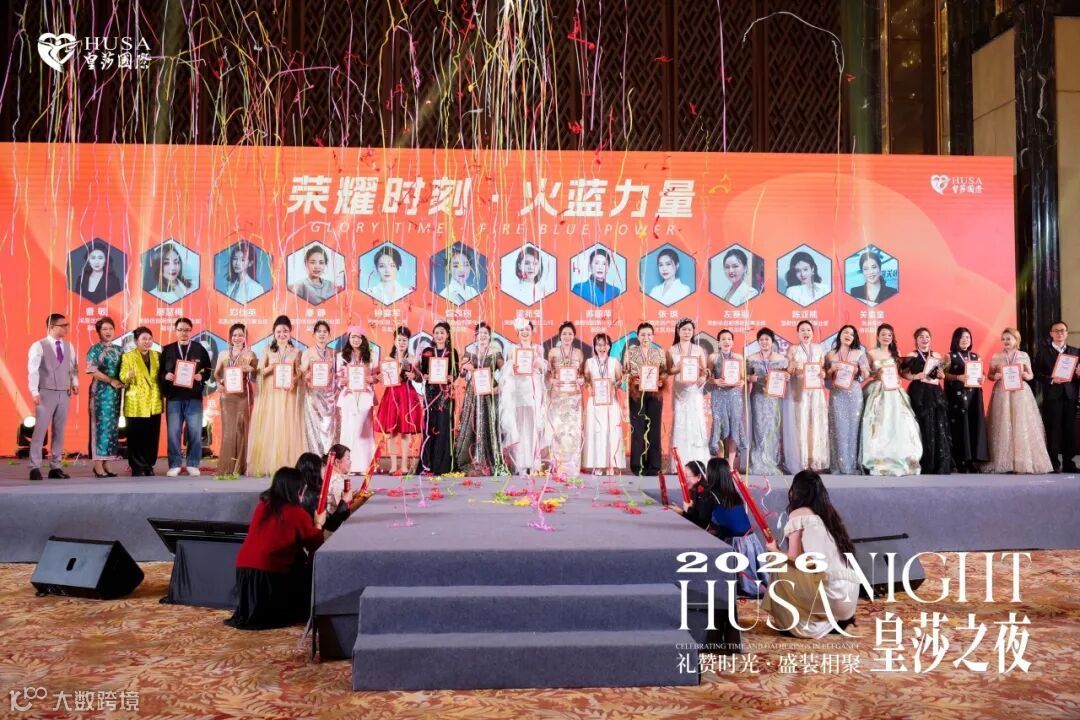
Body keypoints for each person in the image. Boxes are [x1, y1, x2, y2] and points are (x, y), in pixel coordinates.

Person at [225, 467, 327, 630]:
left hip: (244, 570)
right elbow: (315, 544)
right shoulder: (296, 513)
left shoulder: (262, 506)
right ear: (297, 491)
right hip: (268, 573)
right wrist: (318, 524)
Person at [762, 470, 859, 639]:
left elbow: (795, 560)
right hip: (848, 598)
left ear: (796, 492)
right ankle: (826, 621)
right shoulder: (828, 515)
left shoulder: (798, 514)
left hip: (829, 595)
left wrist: (775, 551)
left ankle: (792, 623)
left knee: (778, 565)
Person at [672, 458, 767, 597]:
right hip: (752, 541)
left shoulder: (710, 495)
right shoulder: (733, 493)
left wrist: (684, 512)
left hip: (736, 544)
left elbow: (701, 524)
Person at [985, 328, 1053, 474]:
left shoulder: (1023, 355)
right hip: (1002, 394)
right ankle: (1005, 461)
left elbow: (1031, 375)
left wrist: (1026, 375)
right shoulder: (996, 356)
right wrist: (995, 376)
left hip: (1020, 393)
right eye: (1003, 339)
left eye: (1008, 339)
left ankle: (1022, 461)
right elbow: (990, 375)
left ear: (1016, 340)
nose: (1005, 341)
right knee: (1003, 424)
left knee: (1021, 424)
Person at [247, 316, 306, 476]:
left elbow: (299, 373)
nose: (282, 334)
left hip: (288, 395)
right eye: (278, 331)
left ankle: (287, 464)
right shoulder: (268, 350)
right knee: (271, 427)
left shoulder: (296, 352)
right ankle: (269, 464)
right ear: (273, 333)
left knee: (287, 427)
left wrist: (294, 381)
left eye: (285, 331)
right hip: (271, 396)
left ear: (290, 332)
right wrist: (271, 367)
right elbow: (259, 371)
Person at [860, 323, 922, 476]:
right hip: (878, 392)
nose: (886, 337)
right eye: (883, 334)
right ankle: (880, 458)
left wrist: (915, 376)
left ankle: (902, 456)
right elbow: (866, 375)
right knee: (879, 424)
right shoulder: (871, 353)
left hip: (895, 391)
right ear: (878, 336)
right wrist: (875, 374)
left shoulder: (896, 353)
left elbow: (901, 373)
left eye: (889, 335)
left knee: (901, 423)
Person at [27, 313, 79, 481]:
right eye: (63, 325)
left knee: (59, 430)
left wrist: (75, 382)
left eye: (67, 325)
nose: (66, 328)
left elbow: (73, 367)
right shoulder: (39, 345)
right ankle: (34, 466)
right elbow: (33, 370)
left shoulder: (69, 346)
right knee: (40, 429)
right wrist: (34, 391)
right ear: (51, 327)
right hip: (45, 392)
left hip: (64, 392)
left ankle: (55, 466)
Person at [159, 317, 213, 477]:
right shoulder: (167, 350)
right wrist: (165, 375)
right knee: (173, 432)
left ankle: (192, 463)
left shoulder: (199, 349)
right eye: (180, 330)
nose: (183, 333)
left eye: (186, 330)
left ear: (191, 331)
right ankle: (175, 464)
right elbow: (159, 372)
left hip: (193, 397)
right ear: (175, 331)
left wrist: (201, 376)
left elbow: (208, 369)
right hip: (174, 397)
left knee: (195, 432)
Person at [499, 318, 550, 475]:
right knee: (519, 424)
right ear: (517, 333)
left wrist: (537, 364)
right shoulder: (512, 349)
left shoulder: (538, 349)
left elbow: (544, 370)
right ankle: (520, 463)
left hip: (533, 390)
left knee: (533, 425)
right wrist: (512, 368)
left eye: (528, 329)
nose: (525, 333)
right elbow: (505, 372)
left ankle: (534, 463)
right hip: (518, 391)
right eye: (522, 330)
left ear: (532, 332)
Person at [455, 322, 507, 475]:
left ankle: (489, 461)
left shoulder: (495, 352)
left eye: (485, 333)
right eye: (479, 333)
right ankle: (472, 460)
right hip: (473, 392)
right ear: (475, 336)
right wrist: (464, 368)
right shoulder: (469, 351)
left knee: (490, 424)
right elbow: (462, 374)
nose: (482, 336)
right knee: (472, 423)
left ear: (489, 336)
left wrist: (499, 387)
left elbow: (506, 372)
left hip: (490, 393)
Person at [901, 328, 952, 474]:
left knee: (938, 424)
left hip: (935, 393)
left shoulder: (937, 355)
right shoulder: (912, 355)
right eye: (921, 337)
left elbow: (941, 375)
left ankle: (939, 463)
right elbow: (903, 373)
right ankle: (922, 462)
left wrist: (942, 375)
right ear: (916, 340)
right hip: (919, 393)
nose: (924, 339)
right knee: (921, 425)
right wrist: (915, 376)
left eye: (927, 336)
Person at [375, 326, 423, 475]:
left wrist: (414, 376)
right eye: (399, 340)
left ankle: (404, 465)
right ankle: (393, 465)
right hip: (391, 394)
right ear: (394, 341)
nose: (401, 343)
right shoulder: (388, 360)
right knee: (391, 432)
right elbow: (381, 377)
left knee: (405, 432)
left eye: (404, 340)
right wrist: (380, 377)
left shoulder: (413, 359)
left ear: (408, 342)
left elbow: (420, 378)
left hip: (407, 394)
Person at [624, 323, 671, 476]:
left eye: (649, 334)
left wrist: (661, 380)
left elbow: (664, 372)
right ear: (638, 336)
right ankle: (637, 465)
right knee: (637, 428)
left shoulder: (659, 352)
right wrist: (632, 379)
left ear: (653, 336)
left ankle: (654, 465)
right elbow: (625, 372)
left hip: (654, 394)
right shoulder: (630, 352)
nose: (646, 338)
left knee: (654, 428)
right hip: (636, 393)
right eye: (643, 335)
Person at [1033, 321, 1080, 472]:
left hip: (1070, 395)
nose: (1060, 333)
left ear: (1067, 333)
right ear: (1051, 334)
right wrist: (1051, 380)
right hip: (1052, 395)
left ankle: (1069, 463)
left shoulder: (1076, 352)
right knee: (1053, 429)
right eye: (1056, 331)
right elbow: (1036, 373)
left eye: (1063, 330)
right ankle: (1053, 463)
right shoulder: (1043, 352)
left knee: (1069, 429)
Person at [825, 325, 871, 475]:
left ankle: (851, 464)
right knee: (837, 428)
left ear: (854, 338)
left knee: (853, 428)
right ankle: (838, 464)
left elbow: (866, 375)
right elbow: (825, 379)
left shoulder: (859, 353)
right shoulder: (830, 355)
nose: (848, 336)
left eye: (851, 334)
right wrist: (832, 370)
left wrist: (860, 370)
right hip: (837, 393)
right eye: (845, 332)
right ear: (840, 335)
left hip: (854, 393)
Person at [943, 327, 989, 472]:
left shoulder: (976, 356)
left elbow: (983, 374)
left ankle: (973, 460)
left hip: (974, 396)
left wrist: (983, 378)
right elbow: (943, 375)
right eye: (962, 337)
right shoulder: (949, 356)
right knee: (960, 426)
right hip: (956, 396)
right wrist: (958, 377)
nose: (965, 340)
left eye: (968, 337)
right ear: (956, 339)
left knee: (974, 424)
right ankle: (960, 460)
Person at [119, 327, 163, 476]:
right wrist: (128, 375)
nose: (147, 342)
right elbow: (122, 378)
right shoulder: (128, 356)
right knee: (136, 436)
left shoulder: (157, 356)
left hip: (154, 402)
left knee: (152, 436)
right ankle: (137, 466)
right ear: (136, 340)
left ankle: (149, 465)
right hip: (135, 403)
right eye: (144, 339)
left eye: (150, 339)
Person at [214, 323, 258, 475]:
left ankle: (241, 466)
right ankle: (227, 466)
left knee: (243, 428)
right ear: (230, 337)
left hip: (244, 395)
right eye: (234, 335)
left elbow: (257, 376)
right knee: (228, 430)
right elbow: (217, 374)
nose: (237, 338)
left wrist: (251, 369)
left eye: (240, 335)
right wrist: (218, 384)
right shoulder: (223, 354)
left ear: (245, 337)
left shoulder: (250, 354)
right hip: (227, 396)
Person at [416, 321, 459, 475]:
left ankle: (443, 465)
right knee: (429, 426)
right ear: (433, 335)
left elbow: (456, 372)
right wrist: (424, 375)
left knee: (444, 426)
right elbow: (421, 372)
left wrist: (451, 377)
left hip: (445, 394)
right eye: (436, 333)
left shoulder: (452, 352)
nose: (439, 335)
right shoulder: (427, 351)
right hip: (430, 393)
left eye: (442, 332)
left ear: (447, 335)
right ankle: (427, 464)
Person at [787, 320, 830, 472]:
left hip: (816, 390)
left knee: (816, 422)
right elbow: (789, 371)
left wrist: (823, 373)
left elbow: (823, 368)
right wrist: (796, 369)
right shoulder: (793, 349)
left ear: (813, 332)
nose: (806, 333)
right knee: (802, 422)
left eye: (808, 330)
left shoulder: (819, 348)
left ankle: (816, 459)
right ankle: (802, 460)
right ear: (798, 333)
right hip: (800, 389)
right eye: (802, 330)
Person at [85, 317, 124, 478]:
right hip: (100, 393)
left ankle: (107, 462)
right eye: (104, 329)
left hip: (115, 393)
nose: (108, 332)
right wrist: (111, 381)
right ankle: (97, 464)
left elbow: (125, 369)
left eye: (110, 328)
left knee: (112, 428)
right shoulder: (95, 349)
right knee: (100, 427)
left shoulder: (119, 349)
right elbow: (92, 370)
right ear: (99, 332)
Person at [668, 319, 710, 470]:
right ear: (678, 331)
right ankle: (679, 463)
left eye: (689, 330)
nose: (687, 332)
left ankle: (698, 460)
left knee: (696, 421)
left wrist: (703, 377)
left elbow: (705, 370)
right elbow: (668, 370)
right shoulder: (671, 350)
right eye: (684, 329)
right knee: (680, 421)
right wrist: (678, 367)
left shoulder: (698, 349)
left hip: (694, 390)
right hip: (679, 389)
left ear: (693, 332)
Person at [746, 327, 788, 476]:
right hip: (758, 396)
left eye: (767, 339)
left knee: (773, 428)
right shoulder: (751, 358)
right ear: (758, 342)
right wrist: (750, 378)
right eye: (761, 340)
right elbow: (744, 376)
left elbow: (785, 376)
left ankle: (772, 461)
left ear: (772, 341)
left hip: (774, 398)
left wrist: (787, 377)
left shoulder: (781, 359)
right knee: (758, 427)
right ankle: (758, 462)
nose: (764, 342)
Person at [582, 333, 625, 474]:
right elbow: (586, 379)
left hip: (611, 402)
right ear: (595, 346)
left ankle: (611, 464)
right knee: (596, 432)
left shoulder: (614, 361)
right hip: (595, 402)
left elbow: (620, 379)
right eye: (599, 344)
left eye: (605, 344)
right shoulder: (589, 362)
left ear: (609, 346)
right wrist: (589, 387)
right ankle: (598, 464)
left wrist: (614, 386)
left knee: (611, 431)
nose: (602, 347)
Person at [337, 327, 379, 474]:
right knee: (348, 429)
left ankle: (365, 466)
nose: (355, 340)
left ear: (363, 339)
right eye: (353, 337)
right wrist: (340, 382)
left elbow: (377, 376)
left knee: (364, 430)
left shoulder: (372, 356)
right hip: (348, 396)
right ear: (348, 339)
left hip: (365, 396)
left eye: (359, 337)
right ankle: (346, 466)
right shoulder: (341, 356)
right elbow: (337, 378)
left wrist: (373, 379)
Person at [546, 321, 585, 476]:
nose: (567, 336)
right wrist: (552, 380)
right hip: (558, 396)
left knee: (573, 431)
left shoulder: (579, 353)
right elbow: (548, 373)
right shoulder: (553, 352)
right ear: (560, 336)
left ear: (574, 336)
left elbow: (582, 374)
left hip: (574, 397)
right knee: (558, 430)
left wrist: (581, 380)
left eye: (570, 334)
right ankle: (557, 465)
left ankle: (573, 466)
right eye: (564, 334)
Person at [707, 329, 748, 470]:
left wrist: (742, 382)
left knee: (734, 427)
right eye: (723, 339)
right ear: (718, 343)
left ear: (733, 342)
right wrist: (715, 381)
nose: (726, 341)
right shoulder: (713, 357)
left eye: (729, 339)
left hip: (734, 395)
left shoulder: (739, 357)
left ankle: (730, 465)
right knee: (719, 426)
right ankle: (720, 463)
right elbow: (708, 377)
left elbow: (742, 377)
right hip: (718, 395)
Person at [300, 321, 339, 456]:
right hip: (313, 396)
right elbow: (302, 373)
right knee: (314, 428)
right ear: (314, 334)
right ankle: (315, 458)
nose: (322, 334)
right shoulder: (307, 352)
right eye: (319, 331)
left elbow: (337, 374)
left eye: (325, 332)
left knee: (329, 428)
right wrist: (307, 376)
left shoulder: (333, 353)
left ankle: (329, 458)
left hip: (330, 397)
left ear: (329, 335)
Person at [73, 238, 124, 303]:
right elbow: (76, 302)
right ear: (88, 261)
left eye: (100, 258)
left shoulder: (113, 281)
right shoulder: (80, 280)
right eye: (93, 258)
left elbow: (116, 304)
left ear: (106, 260)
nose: (96, 262)